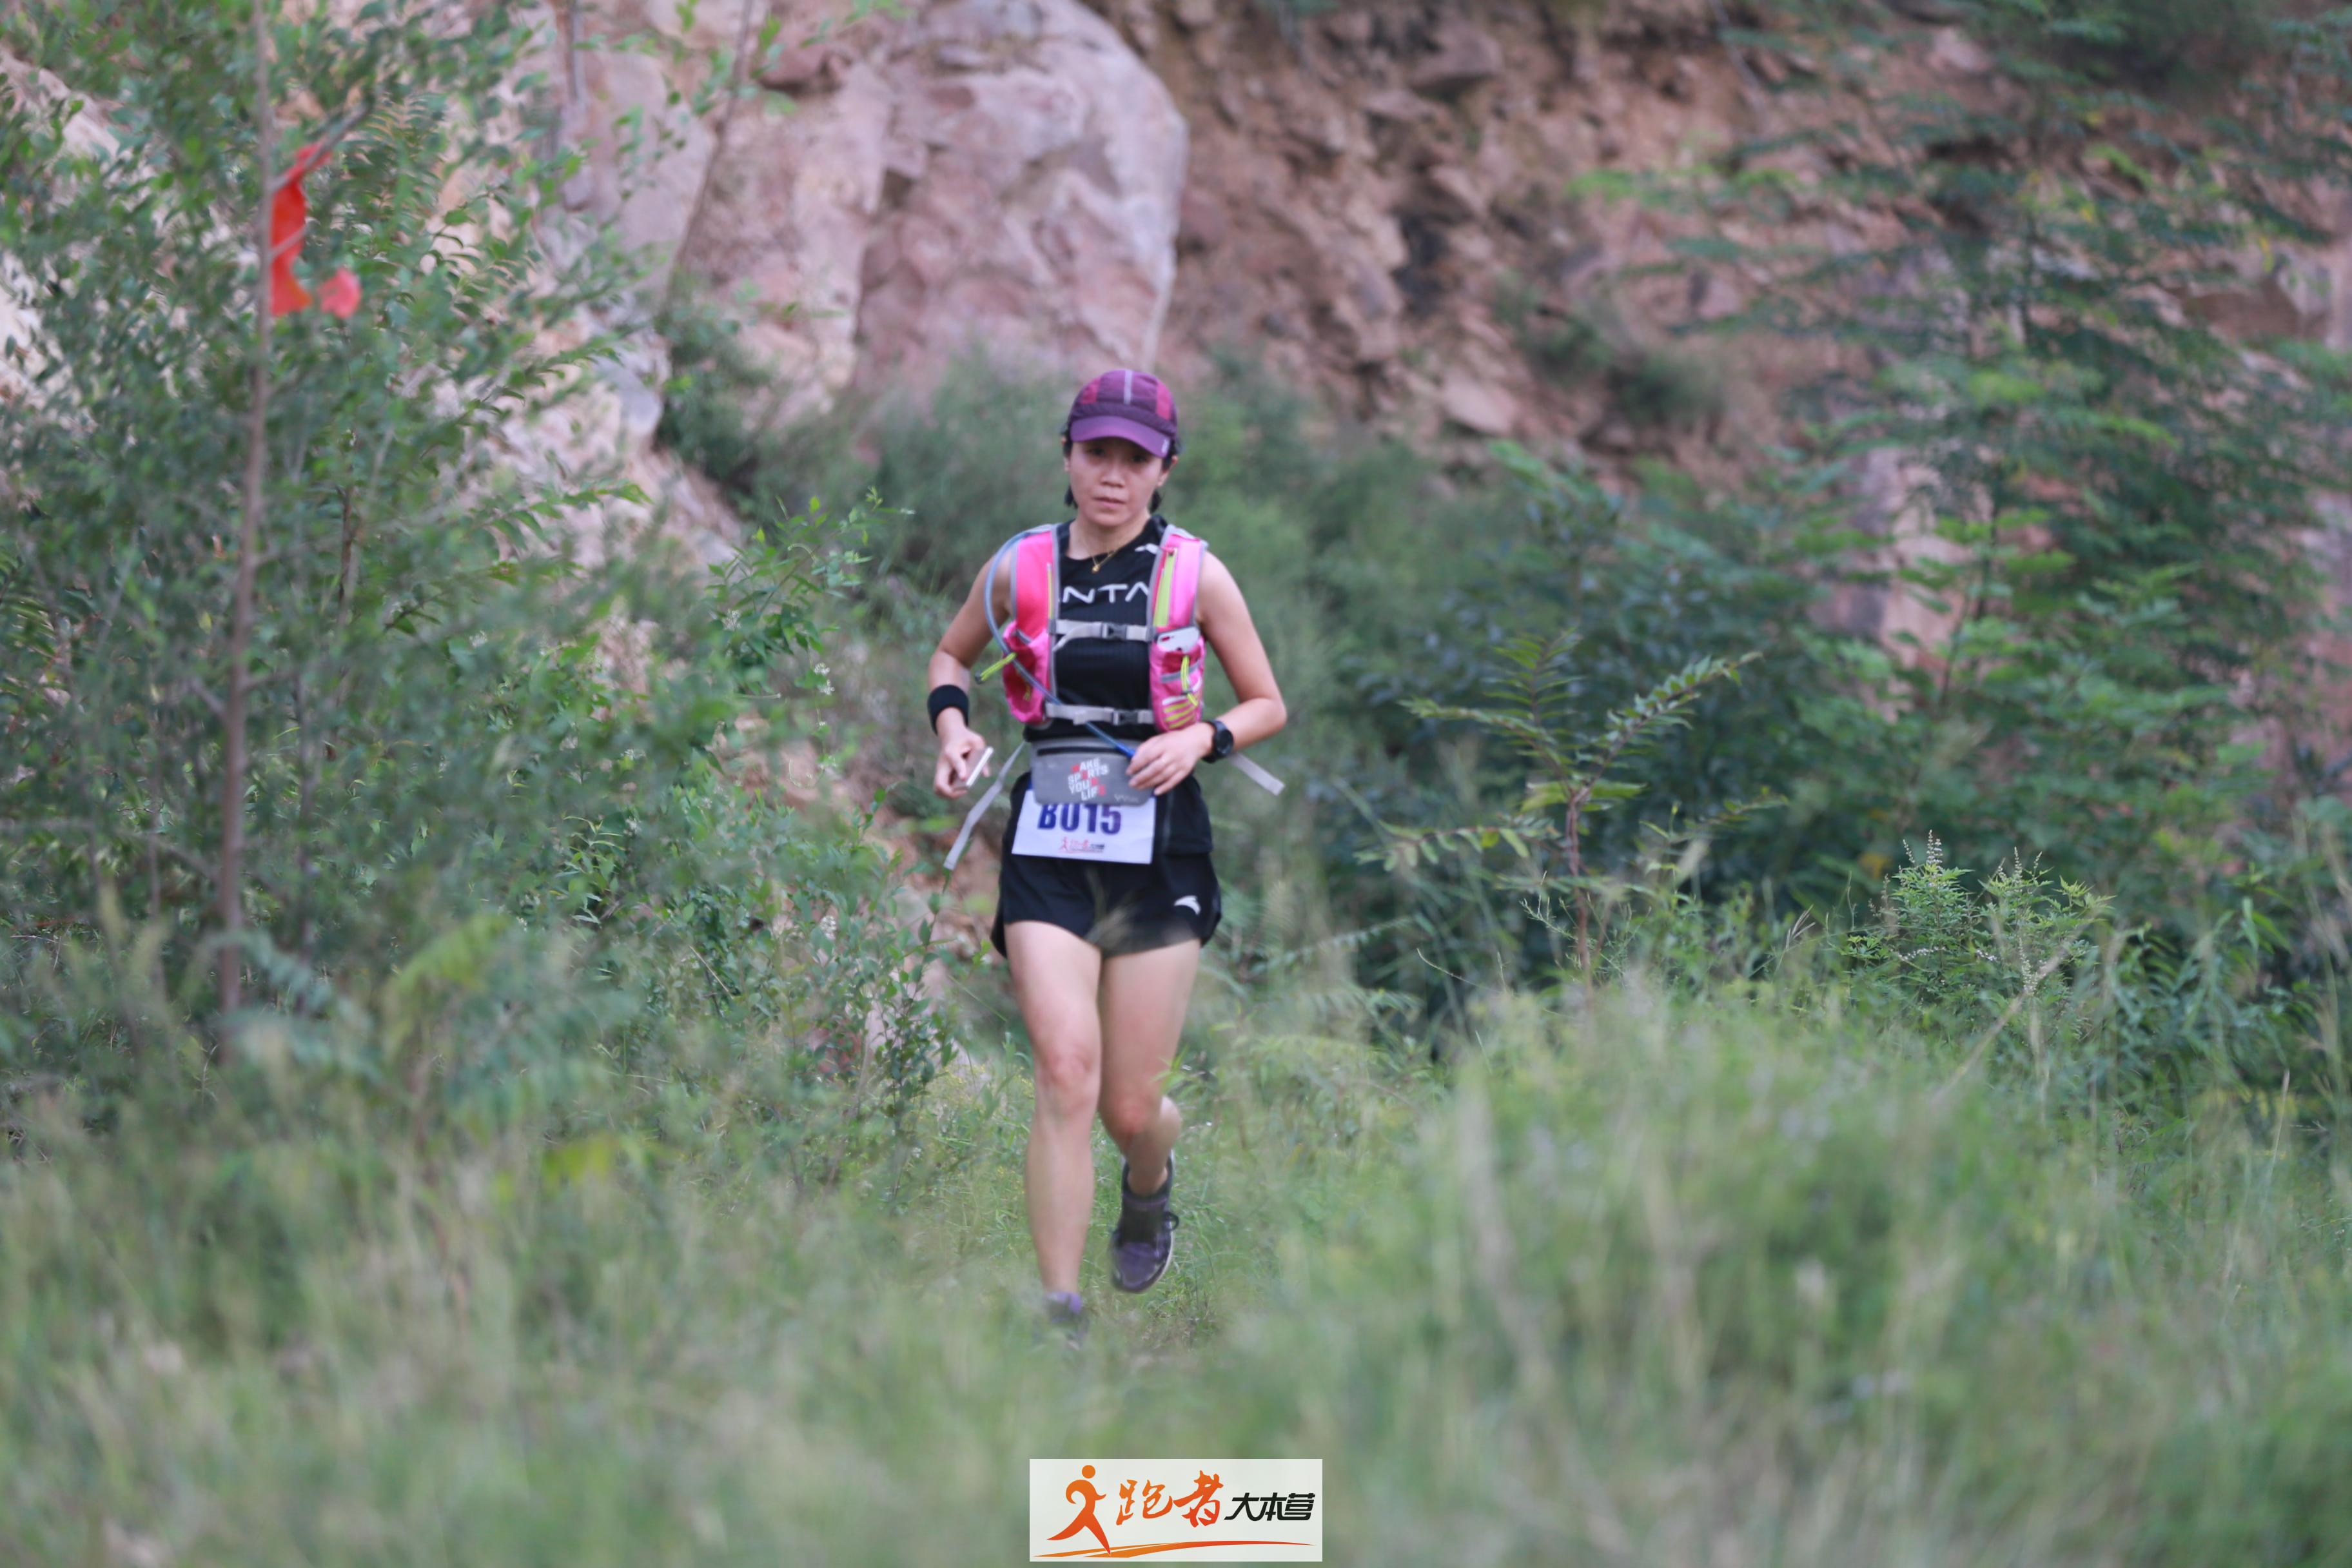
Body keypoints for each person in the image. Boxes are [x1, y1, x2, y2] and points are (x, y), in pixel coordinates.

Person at [926, 369, 1286, 1332]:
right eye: (1097, 454)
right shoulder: (1021, 565)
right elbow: (951, 655)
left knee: (1130, 1110)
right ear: (1069, 455)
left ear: (1165, 469)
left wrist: (1203, 738)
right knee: (1065, 1073)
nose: (1114, 476)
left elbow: (1267, 703)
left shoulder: (1195, 573)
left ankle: (1150, 1179)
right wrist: (953, 728)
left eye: (1136, 458)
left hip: (1161, 848)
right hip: (1049, 845)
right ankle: (1059, 1312)